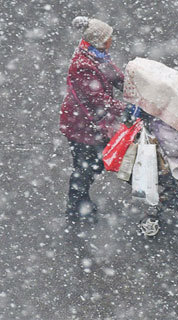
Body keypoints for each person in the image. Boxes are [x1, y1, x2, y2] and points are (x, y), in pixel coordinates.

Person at [59, 16, 129, 223]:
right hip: (82, 124)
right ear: (99, 41)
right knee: (84, 168)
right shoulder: (83, 64)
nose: (111, 42)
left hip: (92, 123)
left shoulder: (96, 54)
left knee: (93, 165)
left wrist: (132, 87)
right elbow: (97, 98)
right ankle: (75, 208)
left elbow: (115, 76)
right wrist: (126, 107)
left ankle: (81, 202)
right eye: (108, 39)